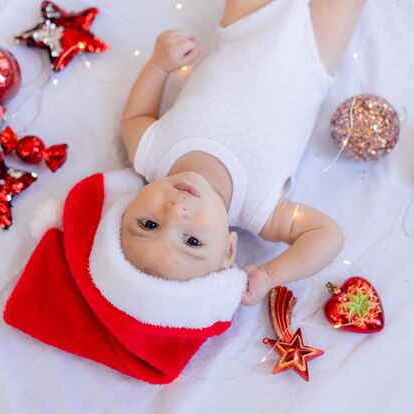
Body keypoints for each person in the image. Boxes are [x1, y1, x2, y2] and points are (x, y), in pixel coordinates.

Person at [119, 0, 366, 305]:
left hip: (243, 25)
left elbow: (135, 118)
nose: (175, 211)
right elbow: (328, 234)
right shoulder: (260, 211)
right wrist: (270, 275)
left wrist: (158, 64)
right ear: (228, 251)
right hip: (312, 52)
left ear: (127, 210)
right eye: (192, 241)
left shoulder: (150, 155)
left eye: (149, 224)